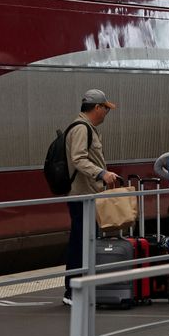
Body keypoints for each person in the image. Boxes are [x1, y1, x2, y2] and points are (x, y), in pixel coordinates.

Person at [63, 89, 120, 306]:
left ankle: (82, 286)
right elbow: (78, 159)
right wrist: (101, 173)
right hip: (81, 196)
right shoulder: (80, 129)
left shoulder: (89, 129)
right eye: (106, 108)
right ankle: (72, 289)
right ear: (97, 107)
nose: (107, 112)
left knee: (87, 241)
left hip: (90, 194)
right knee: (80, 241)